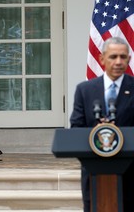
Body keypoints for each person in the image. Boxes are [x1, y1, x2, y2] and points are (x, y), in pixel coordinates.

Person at [70, 36, 134, 212]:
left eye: (123, 57)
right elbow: (76, 127)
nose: (119, 62)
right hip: (94, 172)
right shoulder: (85, 90)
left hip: (129, 173)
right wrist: (95, 134)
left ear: (129, 59)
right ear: (102, 59)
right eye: (113, 57)